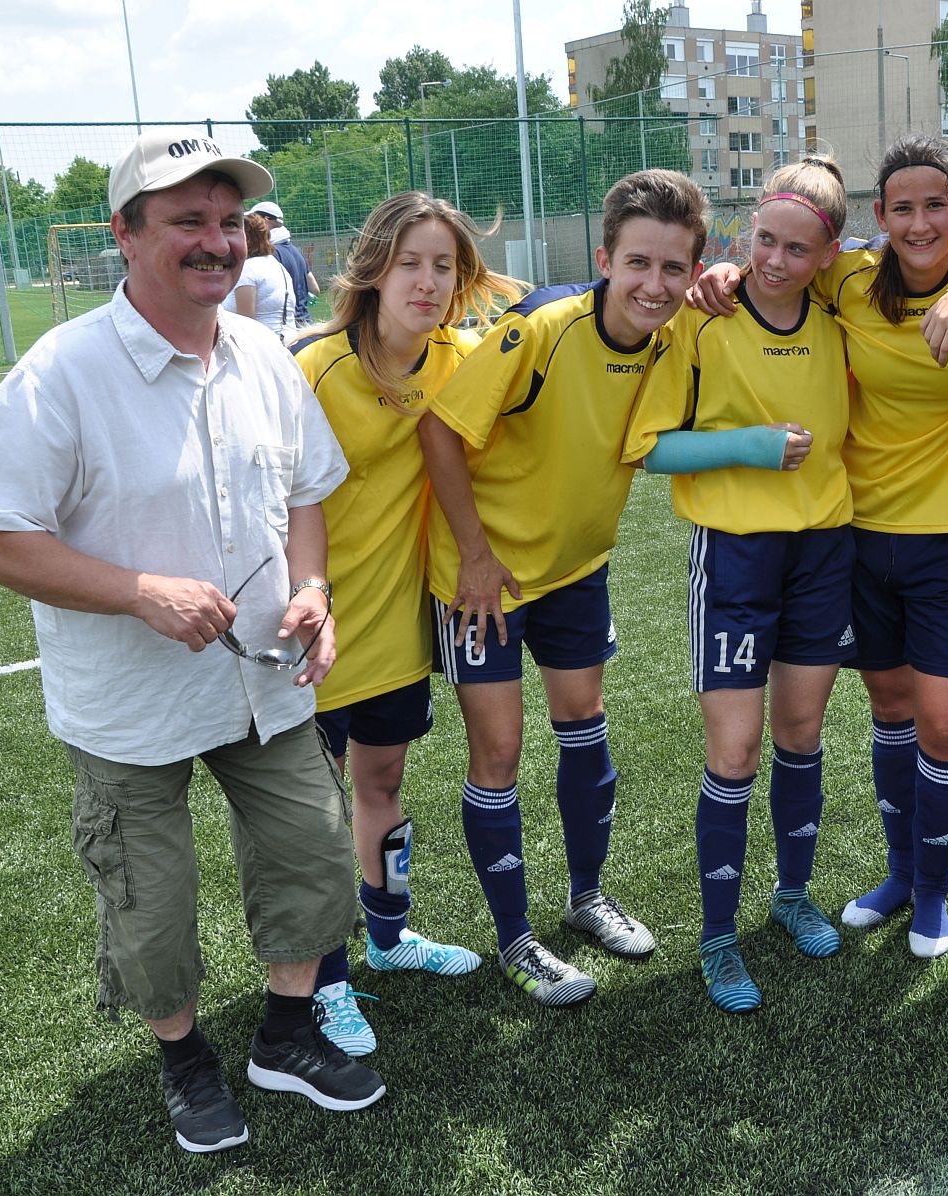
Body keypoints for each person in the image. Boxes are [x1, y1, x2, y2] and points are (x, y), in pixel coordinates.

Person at [0, 128, 384, 1154]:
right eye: (186, 220)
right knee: (151, 906)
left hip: (266, 681)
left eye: (228, 221)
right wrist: (139, 592)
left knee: (313, 859)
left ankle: (282, 1033)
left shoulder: (265, 353)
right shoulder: (65, 371)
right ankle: (184, 1058)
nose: (216, 241)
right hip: (128, 705)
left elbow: (306, 495)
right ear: (126, 235)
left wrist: (313, 589)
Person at [685, 134, 948, 961]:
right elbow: (779, 253)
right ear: (876, 219)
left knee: (942, 726)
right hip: (856, 540)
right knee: (885, 714)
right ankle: (893, 878)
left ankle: (931, 897)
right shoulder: (845, 279)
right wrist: (721, 272)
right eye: (901, 207)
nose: (919, 221)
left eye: (935, 204)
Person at [416, 169, 710, 1007]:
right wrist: (473, 554)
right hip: (484, 580)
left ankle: (586, 899)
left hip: (577, 568)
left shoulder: (677, 329)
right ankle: (516, 940)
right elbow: (440, 429)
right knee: (499, 753)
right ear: (605, 257)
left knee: (583, 722)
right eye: (639, 263)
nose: (655, 285)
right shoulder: (544, 326)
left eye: (675, 268)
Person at [291, 193, 524, 1054]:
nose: (427, 283)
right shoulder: (312, 369)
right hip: (309, 626)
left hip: (393, 627)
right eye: (411, 263)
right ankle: (324, 980)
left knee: (381, 787)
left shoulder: (460, 360)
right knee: (306, 820)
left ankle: (388, 939)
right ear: (374, 268)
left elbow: (565, 331)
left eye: (445, 267)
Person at [627, 156, 854, 1013]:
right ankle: (718, 937)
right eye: (763, 239)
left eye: (798, 248)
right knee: (736, 753)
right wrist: (750, 444)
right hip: (734, 557)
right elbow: (649, 446)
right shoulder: (701, 320)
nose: (774, 260)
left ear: (829, 255)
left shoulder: (841, 310)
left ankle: (791, 895)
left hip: (825, 550)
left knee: (801, 736)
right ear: (744, 234)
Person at [249, 199, 321, 315]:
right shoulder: (295, 251)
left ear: (266, 221)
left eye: (253, 219)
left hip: (284, 326)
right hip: (304, 323)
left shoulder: (269, 255)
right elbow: (315, 289)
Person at [233, 212, 297, 339]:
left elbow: (245, 323)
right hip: (288, 344)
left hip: (262, 351)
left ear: (246, 238)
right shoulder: (277, 266)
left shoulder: (248, 269)